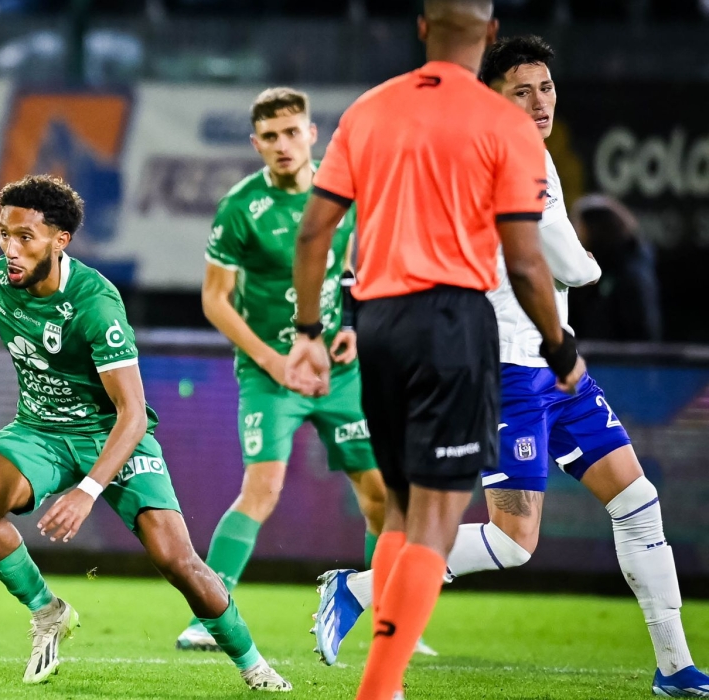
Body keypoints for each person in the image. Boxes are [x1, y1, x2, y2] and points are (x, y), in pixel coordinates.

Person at [311, 35, 709, 697]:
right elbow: (567, 260)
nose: (539, 101)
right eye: (522, 91)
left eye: (546, 87)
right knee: (515, 539)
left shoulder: (522, 151)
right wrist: (590, 266)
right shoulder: (507, 152)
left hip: (554, 366)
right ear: (493, 97)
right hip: (507, 371)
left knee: (637, 499)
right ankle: (357, 589)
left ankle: (675, 667)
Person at [285, 2, 586, 699]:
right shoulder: (504, 126)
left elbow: (315, 233)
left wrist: (308, 333)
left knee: (399, 506)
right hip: (454, 324)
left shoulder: (370, 110)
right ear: (489, 34)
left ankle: (379, 669)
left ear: (422, 29)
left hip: (380, 324)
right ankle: (379, 688)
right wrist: (559, 346)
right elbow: (526, 261)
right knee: (436, 520)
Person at [0, 174, 291, 692]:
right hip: (41, 430)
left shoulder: (96, 303)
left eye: (25, 237)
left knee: (176, 560)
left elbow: (132, 413)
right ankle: (48, 611)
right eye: (4, 234)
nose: (10, 250)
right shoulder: (2, 280)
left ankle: (253, 664)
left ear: (60, 241)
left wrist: (88, 490)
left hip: (111, 434)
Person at [175, 87, 397, 654]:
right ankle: (209, 616)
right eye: (270, 136)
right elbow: (215, 300)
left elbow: (353, 267)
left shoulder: (341, 192)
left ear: (312, 134)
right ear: (255, 144)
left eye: (292, 132)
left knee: (379, 494)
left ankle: (387, 619)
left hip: (337, 372)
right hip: (269, 373)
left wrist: (353, 326)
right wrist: (271, 359)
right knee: (262, 488)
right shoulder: (240, 208)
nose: (282, 144)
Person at [569, 194, 663, 342]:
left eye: (579, 227)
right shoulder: (593, 272)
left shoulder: (631, 275)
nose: (575, 234)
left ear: (596, 229)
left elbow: (642, 333)